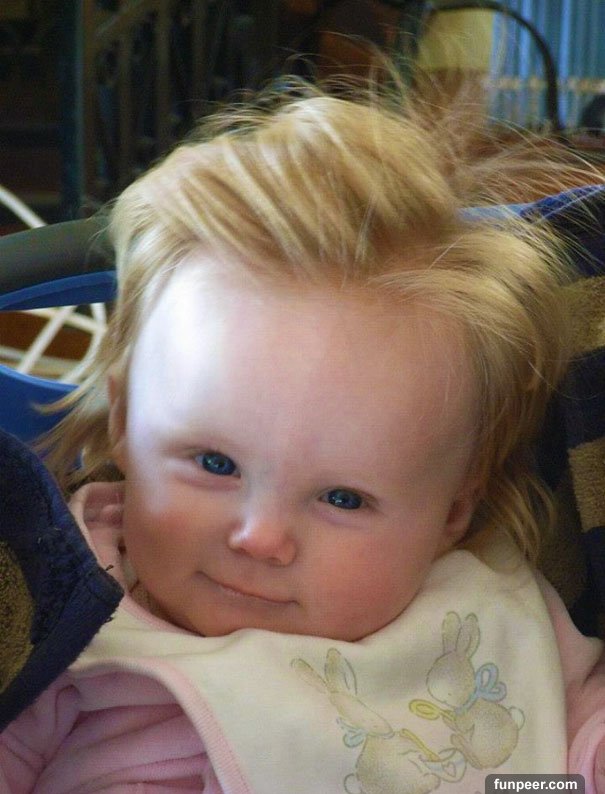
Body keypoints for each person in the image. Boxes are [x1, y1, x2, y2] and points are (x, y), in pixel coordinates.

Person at [2, 75, 605, 793]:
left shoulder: (492, 612)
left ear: (452, 511)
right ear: (124, 421)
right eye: (215, 462)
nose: (260, 538)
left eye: (343, 499)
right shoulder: (48, 616)